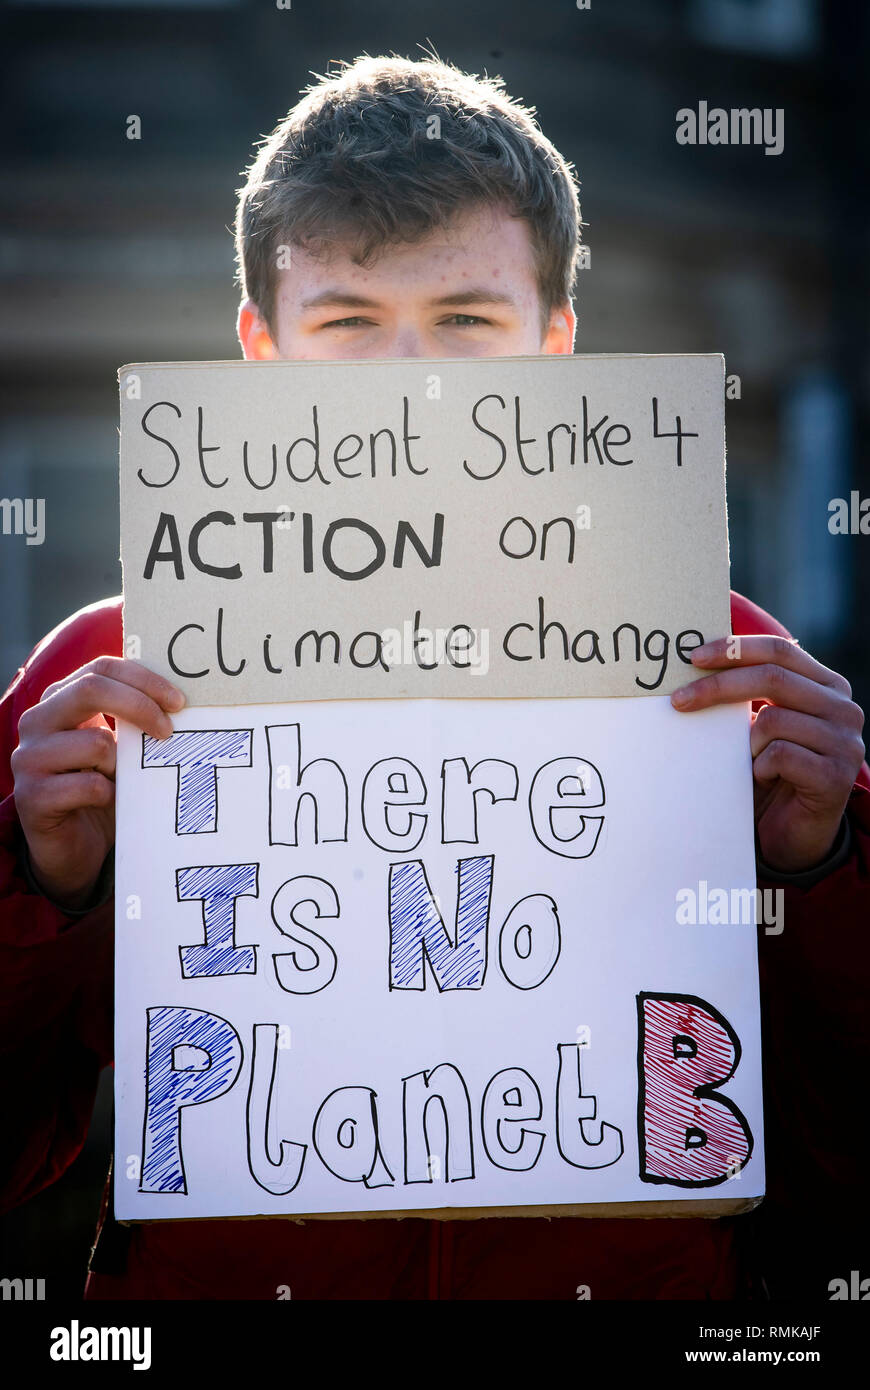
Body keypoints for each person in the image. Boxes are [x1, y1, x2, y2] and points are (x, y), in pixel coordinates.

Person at [1, 53, 867, 1300]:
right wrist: (47, 884)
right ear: (263, 348)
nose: (415, 377)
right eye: (349, 323)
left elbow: (847, 1141)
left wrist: (816, 867)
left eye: (467, 321)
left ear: (556, 345)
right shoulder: (112, 671)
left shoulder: (717, 660)